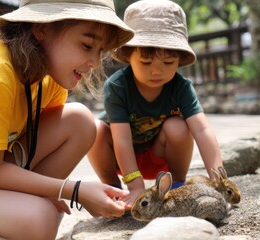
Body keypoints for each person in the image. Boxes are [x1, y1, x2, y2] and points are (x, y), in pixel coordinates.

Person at [0, 0, 134, 239]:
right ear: (42, 28)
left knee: (80, 121)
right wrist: (73, 190)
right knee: (38, 217)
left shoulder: (47, 78)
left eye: (100, 51)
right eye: (86, 45)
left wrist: (53, 192)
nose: (94, 62)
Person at [87, 0, 224, 209]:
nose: (156, 71)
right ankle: (115, 191)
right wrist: (135, 185)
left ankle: (178, 184)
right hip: (122, 158)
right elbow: (121, 139)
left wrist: (219, 180)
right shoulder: (117, 86)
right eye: (146, 62)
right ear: (128, 55)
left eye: (168, 63)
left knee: (178, 126)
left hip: (158, 157)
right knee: (94, 130)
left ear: (179, 59)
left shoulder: (180, 87)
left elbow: (202, 130)